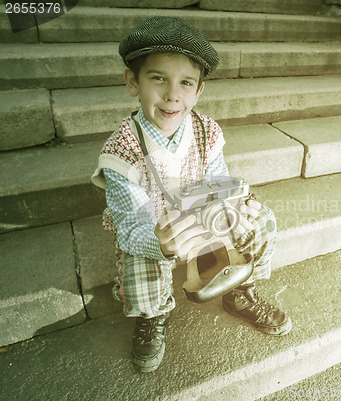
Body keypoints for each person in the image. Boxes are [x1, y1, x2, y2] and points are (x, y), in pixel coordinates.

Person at [91, 16, 291, 373]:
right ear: (132, 82)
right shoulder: (121, 152)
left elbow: (217, 184)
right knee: (140, 260)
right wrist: (164, 245)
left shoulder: (205, 131)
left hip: (201, 218)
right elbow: (132, 229)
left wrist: (235, 209)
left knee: (261, 219)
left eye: (186, 82)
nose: (172, 94)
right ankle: (153, 316)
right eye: (158, 79)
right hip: (154, 232)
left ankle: (240, 289)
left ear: (198, 91)